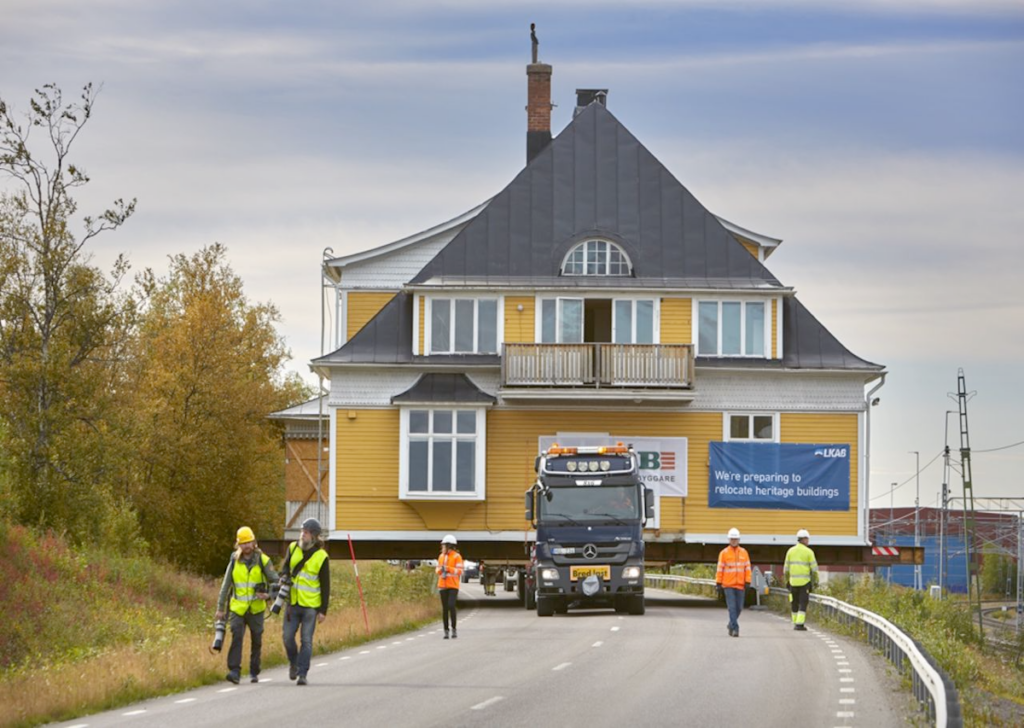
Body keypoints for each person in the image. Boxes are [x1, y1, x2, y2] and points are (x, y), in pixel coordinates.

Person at [215, 526, 279, 684]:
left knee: (256, 640)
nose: (246, 546)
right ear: (238, 545)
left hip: (256, 609)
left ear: (254, 543)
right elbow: (226, 585)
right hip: (237, 608)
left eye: (249, 543)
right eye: (243, 543)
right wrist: (220, 608)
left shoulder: (263, 560)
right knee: (237, 637)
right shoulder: (234, 560)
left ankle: (254, 670)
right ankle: (234, 671)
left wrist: (269, 595)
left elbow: (276, 582)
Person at [282, 517, 330, 685]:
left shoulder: (322, 556)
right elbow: (285, 569)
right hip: (292, 604)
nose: (303, 535)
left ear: (315, 536)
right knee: (287, 638)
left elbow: (325, 585)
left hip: (311, 605)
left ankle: (303, 673)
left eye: (307, 532)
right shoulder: (292, 548)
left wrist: (323, 610)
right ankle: (294, 663)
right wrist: (283, 579)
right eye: (302, 531)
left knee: (306, 640)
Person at [715, 527, 751, 637]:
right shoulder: (724, 553)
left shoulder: (744, 553)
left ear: (739, 540)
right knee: (732, 608)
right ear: (729, 540)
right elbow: (720, 569)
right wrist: (718, 583)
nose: (734, 541)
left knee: (739, 607)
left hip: (740, 585)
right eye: (732, 539)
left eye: (735, 539)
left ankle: (731, 624)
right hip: (728, 585)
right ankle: (735, 628)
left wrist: (747, 581)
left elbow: (747, 568)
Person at [784, 529, 820, 631]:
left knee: (794, 603)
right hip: (804, 583)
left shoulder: (790, 551)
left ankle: (795, 621)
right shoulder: (809, 552)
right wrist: (815, 581)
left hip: (792, 583)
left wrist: (787, 581)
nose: (808, 541)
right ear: (804, 539)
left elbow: (786, 570)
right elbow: (814, 570)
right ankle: (799, 624)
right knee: (803, 603)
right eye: (807, 539)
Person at [436, 534, 464, 638]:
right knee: (445, 609)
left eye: (444, 545)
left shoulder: (457, 557)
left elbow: (460, 571)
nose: (442, 547)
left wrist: (448, 569)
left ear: (449, 546)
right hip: (442, 585)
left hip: (453, 585)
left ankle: (454, 629)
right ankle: (446, 631)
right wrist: (440, 570)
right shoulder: (441, 556)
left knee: (451, 606)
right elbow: (437, 570)